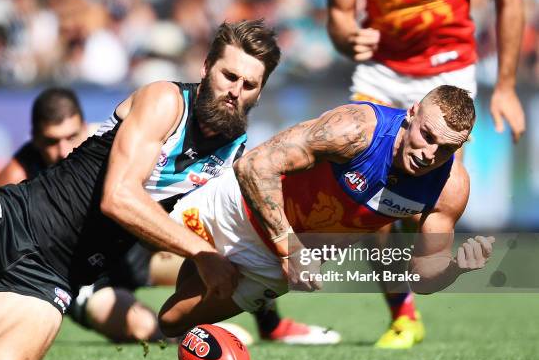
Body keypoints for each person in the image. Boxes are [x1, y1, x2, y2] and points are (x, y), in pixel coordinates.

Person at [0, 19, 280, 360]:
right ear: (207, 68)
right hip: (18, 217)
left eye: (249, 84)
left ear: (259, 92)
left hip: (54, 276)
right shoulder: (166, 101)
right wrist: (203, 255)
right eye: (229, 76)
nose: (235, 90)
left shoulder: (233, 155)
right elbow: (119, 197)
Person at [157, 85, 495, 339]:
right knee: (142, 240)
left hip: (273, 265)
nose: (429, 154)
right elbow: (254, 166)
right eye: (427, 135)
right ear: (412, 112)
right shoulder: (356, 129)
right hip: (241, 208)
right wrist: (289, 246)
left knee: (172, 320)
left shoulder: (450, 188)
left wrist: (453, 270)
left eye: (446, 149)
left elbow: (422, 276)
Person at [326, 0, 525, 348]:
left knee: (427, 203)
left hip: (448, 72)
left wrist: (506, 86)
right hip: (380, 74)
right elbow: (340, 18)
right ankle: (403, 314)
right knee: (373, 204)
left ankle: (423, 274)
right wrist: (348, 37)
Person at [0, 87, 90, 346]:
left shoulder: (107, 148)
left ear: (84, 128)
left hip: (127, 250)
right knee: (140, 327)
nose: (63, 150)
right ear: (35, 138)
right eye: (52, 141)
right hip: (76, 275)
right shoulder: (16, 177)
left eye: (71, 136)